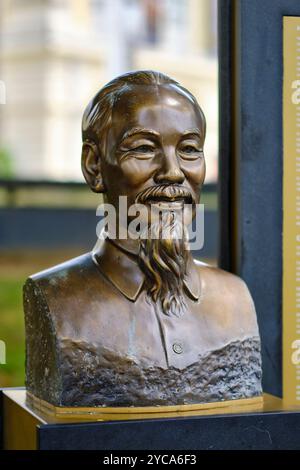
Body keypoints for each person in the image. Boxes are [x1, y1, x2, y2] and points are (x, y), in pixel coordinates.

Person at [24, 71, 262, 407]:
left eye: (189, 149)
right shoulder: (58, 298)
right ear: (94, 166)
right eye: (144, 148)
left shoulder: (234, 299)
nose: (173, 172)